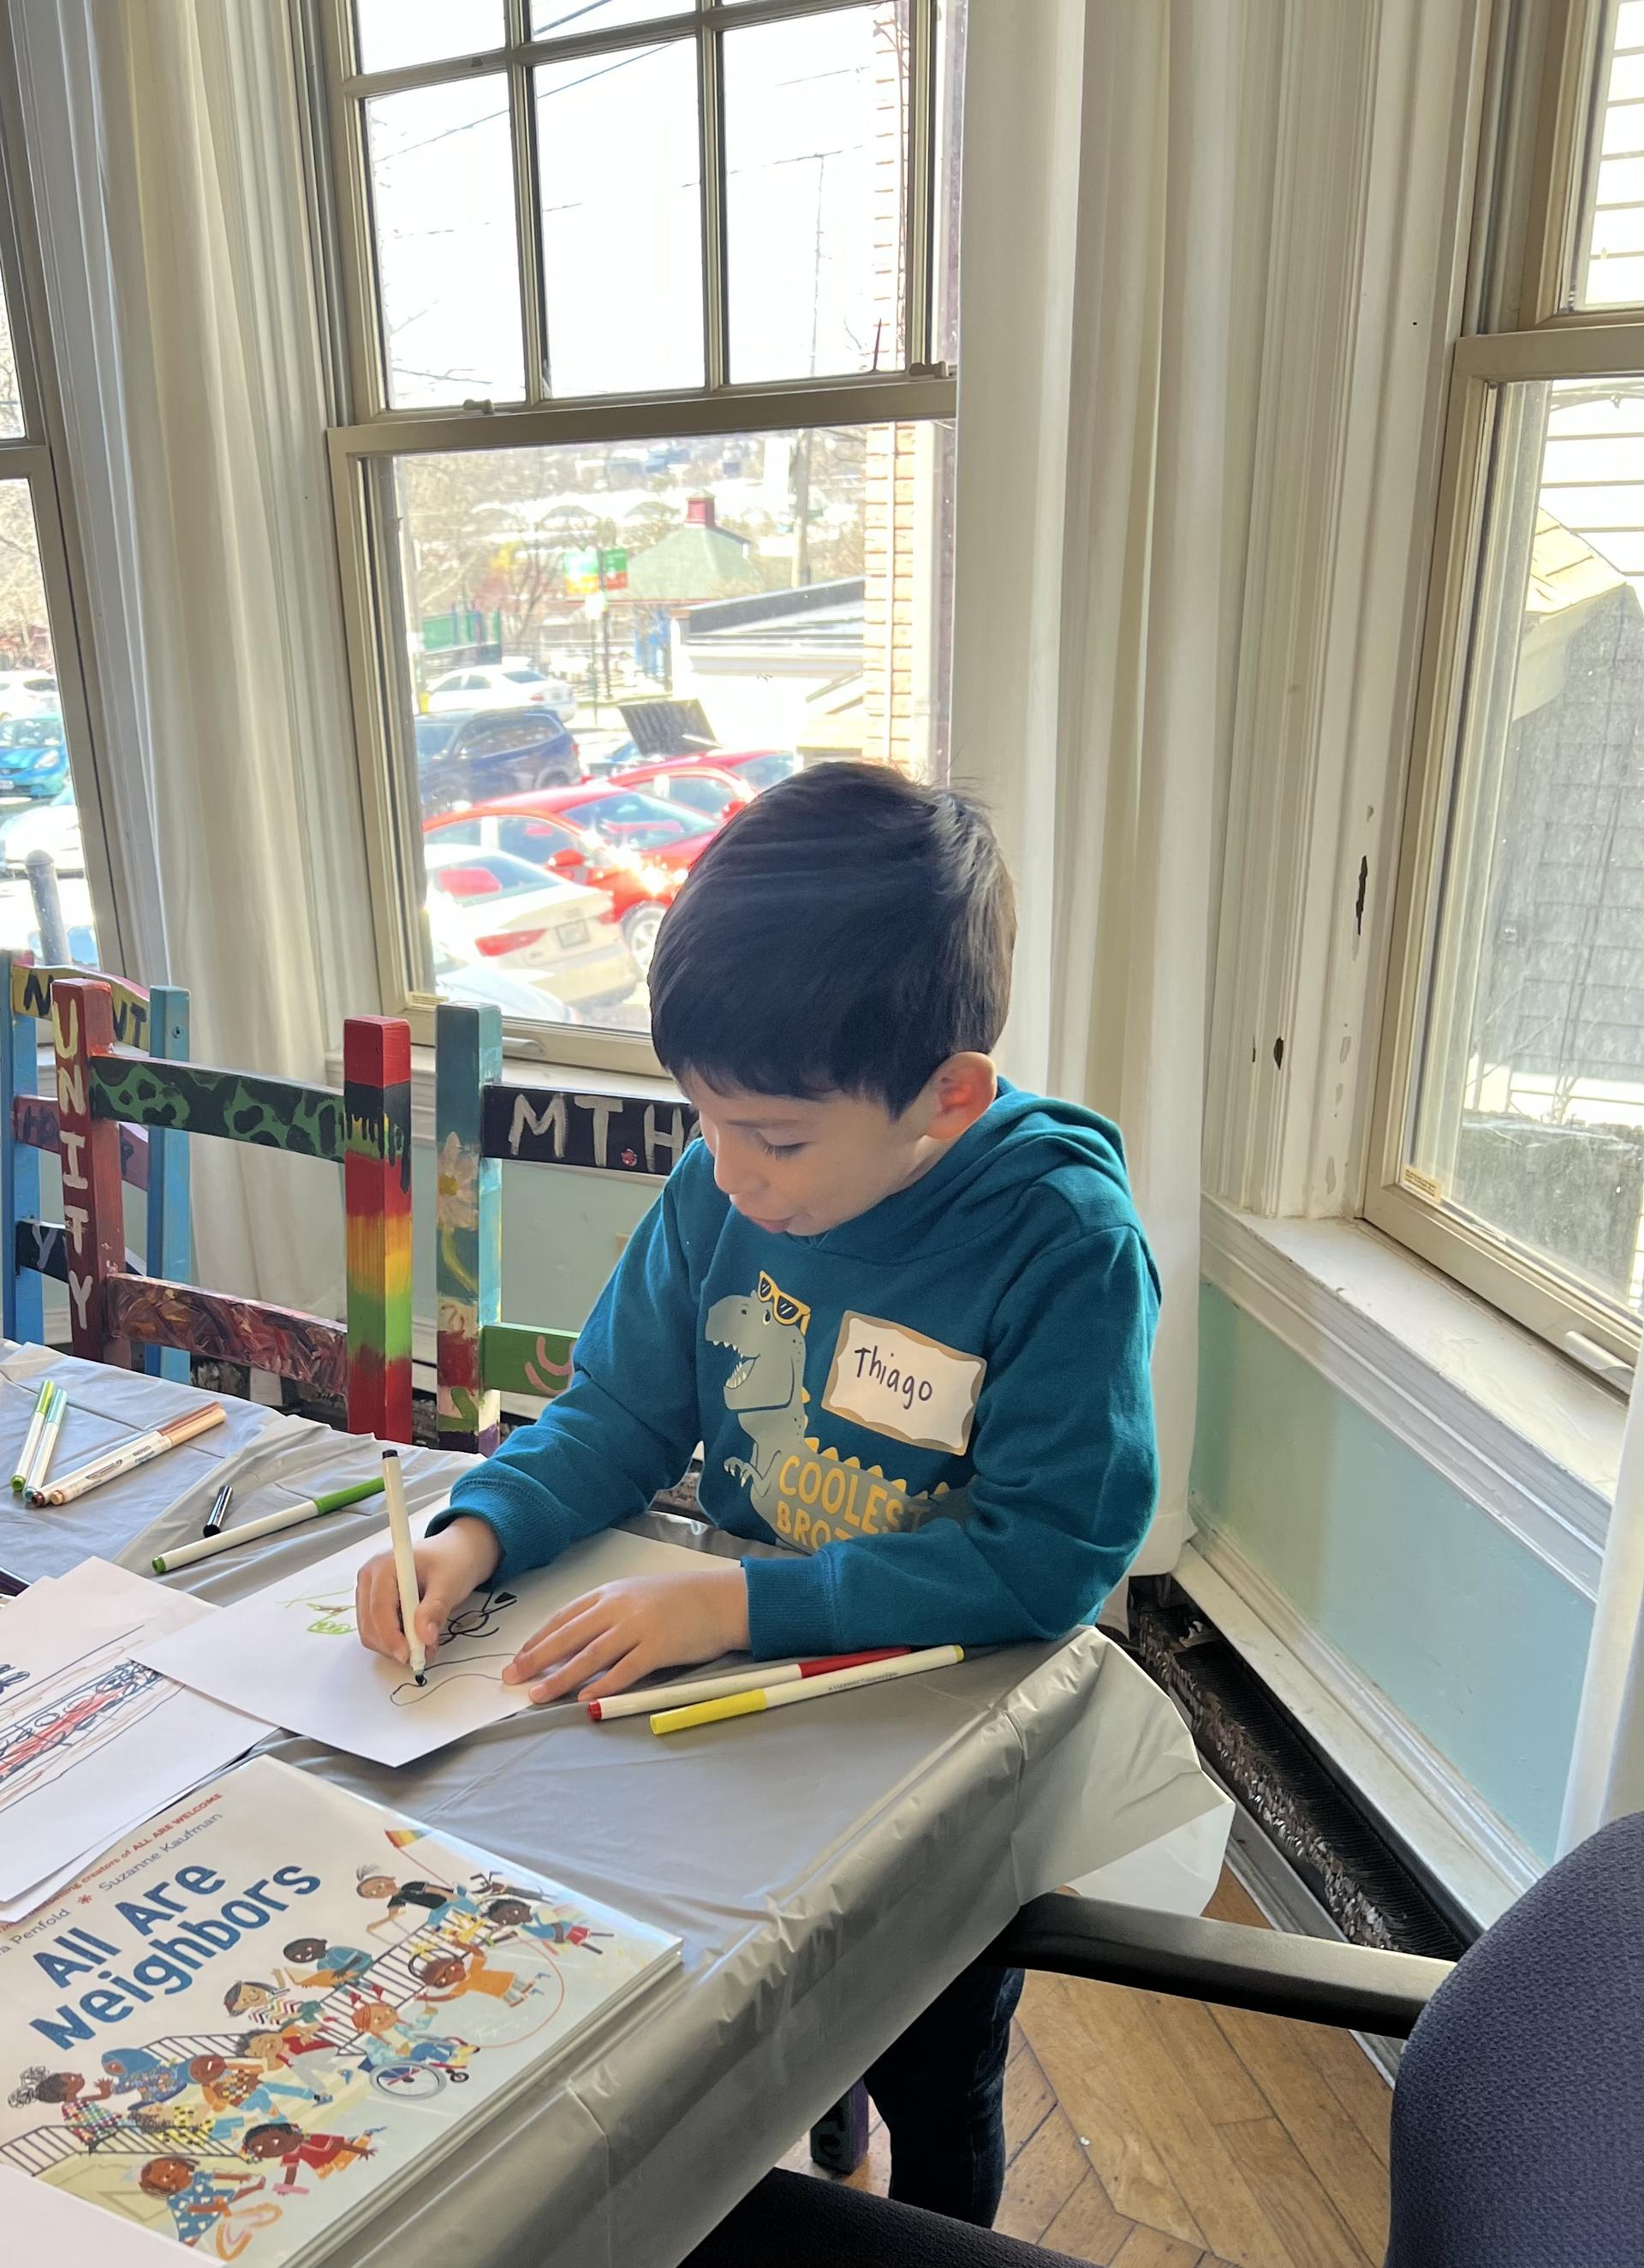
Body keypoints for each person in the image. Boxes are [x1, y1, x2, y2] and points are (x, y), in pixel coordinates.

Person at [354, 761, 1160, 2228]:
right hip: (743, 1717)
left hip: (937, 1744)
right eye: (701, 1119)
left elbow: (1047, 1558)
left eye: (776, 1138)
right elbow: (616, 1412)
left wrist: (741, 1597)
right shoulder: (723, 1182)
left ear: (949, 1098)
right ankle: (820, 2104)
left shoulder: (1062, 1241)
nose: (727, 1174)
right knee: (764, 2021)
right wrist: (480, 1531)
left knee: (938, 2071)